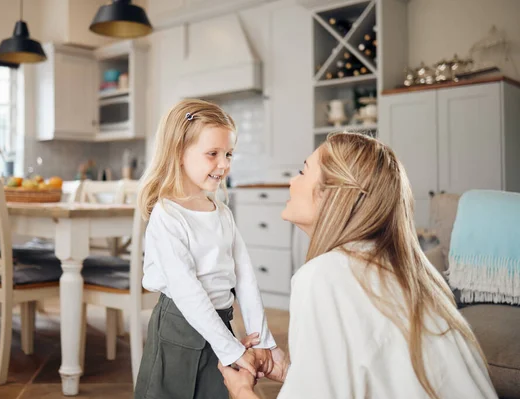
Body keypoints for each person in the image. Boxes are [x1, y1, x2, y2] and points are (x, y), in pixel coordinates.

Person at [219, 132, 497, 399]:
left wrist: (240, 390)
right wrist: (293, 372)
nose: (292, 182)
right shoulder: (407, 273)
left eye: (303, 171)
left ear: (332, 194)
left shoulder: (324, 276)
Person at [134, 99, 276, 399]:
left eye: (228, 154)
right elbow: (188, 292)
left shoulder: (221, 212)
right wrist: (233, 350)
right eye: (213, 154)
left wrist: (262, 340)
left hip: (220, 326)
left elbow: (245, 277)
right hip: (178, 328)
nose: (224, 164)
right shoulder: (167, 215)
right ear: (179, 153)